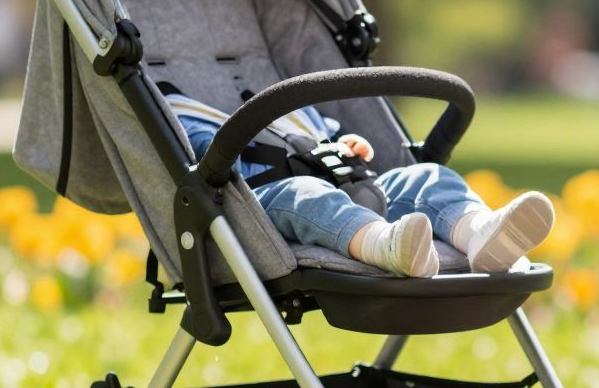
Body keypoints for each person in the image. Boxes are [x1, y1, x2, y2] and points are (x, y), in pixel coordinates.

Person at [167, 93, 553, 276]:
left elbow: (334, 134)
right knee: (309, 194)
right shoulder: (189, 115)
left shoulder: (294, 108)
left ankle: (481, 233)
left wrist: (351, 146)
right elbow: (205, 157)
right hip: (269, 201)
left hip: (356, 184)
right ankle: (382, 245)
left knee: (427, 176)